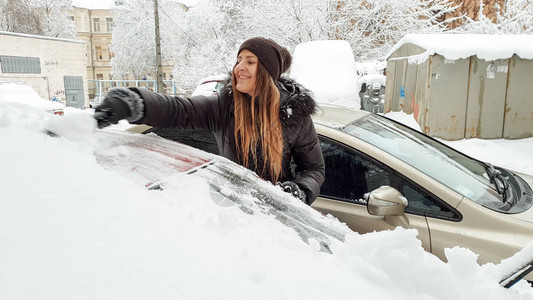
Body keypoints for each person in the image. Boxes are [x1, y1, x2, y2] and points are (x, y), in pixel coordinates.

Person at [94, 37, 325, 204]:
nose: (239, 68)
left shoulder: (295, 115)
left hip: (279, 215)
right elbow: (178, 110)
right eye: (238, 60)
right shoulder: (223, 108)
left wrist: (300, 190)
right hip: (232, 210)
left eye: (250, 61)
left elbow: (314, 168)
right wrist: (133, 102)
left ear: (267, 72)